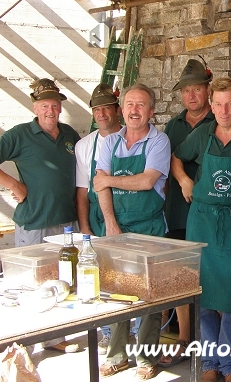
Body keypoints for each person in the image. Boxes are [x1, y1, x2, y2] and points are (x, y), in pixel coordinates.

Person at [0, 78, 80, 353]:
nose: (50, 111)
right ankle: (25, 343)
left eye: (54, 106)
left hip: (66, 223)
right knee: (31, 284)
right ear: (35, 107)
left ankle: (56, 338)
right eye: (44, 106)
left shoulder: (70, 135)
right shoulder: (20, 134)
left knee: (61, 282)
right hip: (34, 222)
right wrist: (14, 185)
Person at [171, 77, 231, 382]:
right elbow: (176, 157)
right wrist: (184, 180)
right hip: (202, 221)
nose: (223, 110)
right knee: (204, 294)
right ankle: (210, 363)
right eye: (218, 103)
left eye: (229, 103)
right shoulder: (203, 134)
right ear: (212, 105)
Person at [94, 83, 171, 380]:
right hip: (116, 227)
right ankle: (116, 355)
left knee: (149, 296)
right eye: (129, 105)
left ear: (151, 111)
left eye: (141, 105)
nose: (134, 110)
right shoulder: (109, 142)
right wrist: (110, 222)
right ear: (121, 109)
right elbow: (98, 188)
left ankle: (146, 358)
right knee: (115, 292)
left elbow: (146, 181)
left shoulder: (158, 141)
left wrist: (109, 180)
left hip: (149, 227)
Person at [159, 58, 214, 368]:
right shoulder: (173, 126)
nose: (191, 96)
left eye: (197, 89)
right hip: (179, 212)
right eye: (186, 91)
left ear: (207, 90)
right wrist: (182, 182)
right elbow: (168, 163)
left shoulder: (219, 120)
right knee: (181, 276)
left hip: (211, 215)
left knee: (211, 275)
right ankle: (185, 338)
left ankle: (211, 341)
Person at [74, 83, 121, 355]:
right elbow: (82, 191)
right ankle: (106, 333)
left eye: (106, 107)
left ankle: (136, 334)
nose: (101, 113)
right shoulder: (84, 146)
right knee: (102, 276)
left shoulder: (132, 138)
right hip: (96, 217)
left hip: (129, 211)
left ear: (117, 110)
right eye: (96, 109)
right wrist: (85, 228)